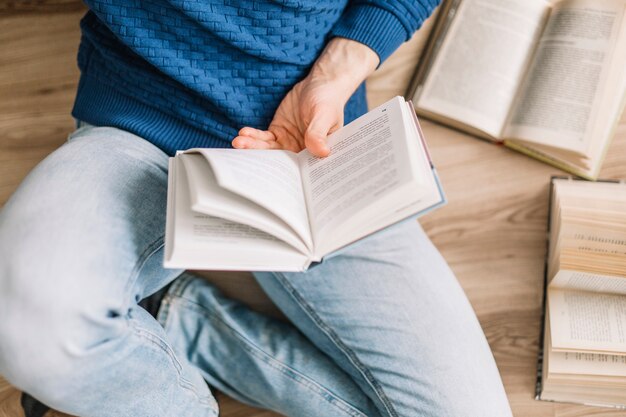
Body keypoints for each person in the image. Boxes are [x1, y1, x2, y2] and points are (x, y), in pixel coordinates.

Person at [0, 1, 514, 416]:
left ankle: (185, 321)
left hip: (312, 146)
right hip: (139, 127)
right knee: (30, 326)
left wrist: (341, 66)